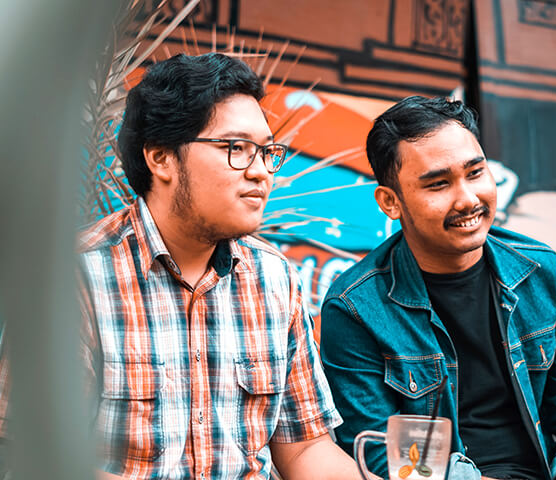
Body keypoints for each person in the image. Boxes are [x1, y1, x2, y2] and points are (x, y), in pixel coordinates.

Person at [77, 53, 364, 480]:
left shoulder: (273, 278)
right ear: (161, 158)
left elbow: (306, 451)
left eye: (267, 152)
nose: (262, 172)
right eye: (236, 149)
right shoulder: (79, 276)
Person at [320, 96, 556, 480]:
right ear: (390, 202)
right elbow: (380, 449)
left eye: (475, 173)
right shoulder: (356, 307)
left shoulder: (544, 274)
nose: (468, 199)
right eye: (439, 184)